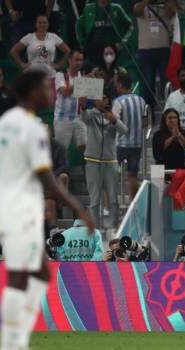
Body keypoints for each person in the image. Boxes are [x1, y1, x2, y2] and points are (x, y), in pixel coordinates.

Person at [0, 69, 94, 350]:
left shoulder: (3, 124)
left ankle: (14, 347)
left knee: (35, 273)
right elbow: (45, 175)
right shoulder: (33, 127)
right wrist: (78, 207)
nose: (51, 92)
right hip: (22, 206)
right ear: (32, 91)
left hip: (7, 203)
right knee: (26, 276)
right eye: (46, 88)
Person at [80, 93, 126, 230]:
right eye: (99, 98)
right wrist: (82, 105)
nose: (102, 101)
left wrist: (114, 121)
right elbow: (84, 118)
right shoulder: (91, 114)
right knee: (94, 199)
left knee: (112, 197)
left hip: (110, 160)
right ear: (94, 101)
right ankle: (96, 229)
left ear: (108, 101)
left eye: (105, 98)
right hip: (92, 160)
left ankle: (114, 227)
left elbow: (124, 130)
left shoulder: (113, 115)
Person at [134, 0, 176, 106]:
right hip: (145, 51)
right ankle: (150, 114)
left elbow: (173, 12)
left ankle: (168, 107)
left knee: (165, 84)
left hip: (163, 51)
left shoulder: (166, 7)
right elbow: (137, 10)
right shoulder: (140, 6)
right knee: (148, 85)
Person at [114, 71, 149, 198]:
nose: (115, 87)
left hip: (120, 143)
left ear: (120, 84)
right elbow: (145, 122)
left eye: (116, 84)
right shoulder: (141, 100)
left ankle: (108, 205)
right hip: (137, 144)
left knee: (109, 173)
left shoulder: (118, 101)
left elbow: (114, 122)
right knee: (132, 175)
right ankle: (133, 205)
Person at [75, 0, 135, 66]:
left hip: (113, 48)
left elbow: (129, 25)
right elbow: (78, 25)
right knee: (96, 72)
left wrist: (122, 42)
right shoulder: (88, 8)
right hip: (94, 49)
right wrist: (82, 41)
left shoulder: (116, 8)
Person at [53, 50, 87, 151]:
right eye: (76, 60)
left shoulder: (82, 75)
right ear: (69, 60)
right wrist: (80, 82)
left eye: (81, 60)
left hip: (77, 118)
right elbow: (64, 92)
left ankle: (89, 166)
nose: (79, 63)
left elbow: (83, 98)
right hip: (62, 120)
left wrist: (84, 101)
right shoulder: (60, 75)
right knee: (61, 152)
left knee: (88, 147)